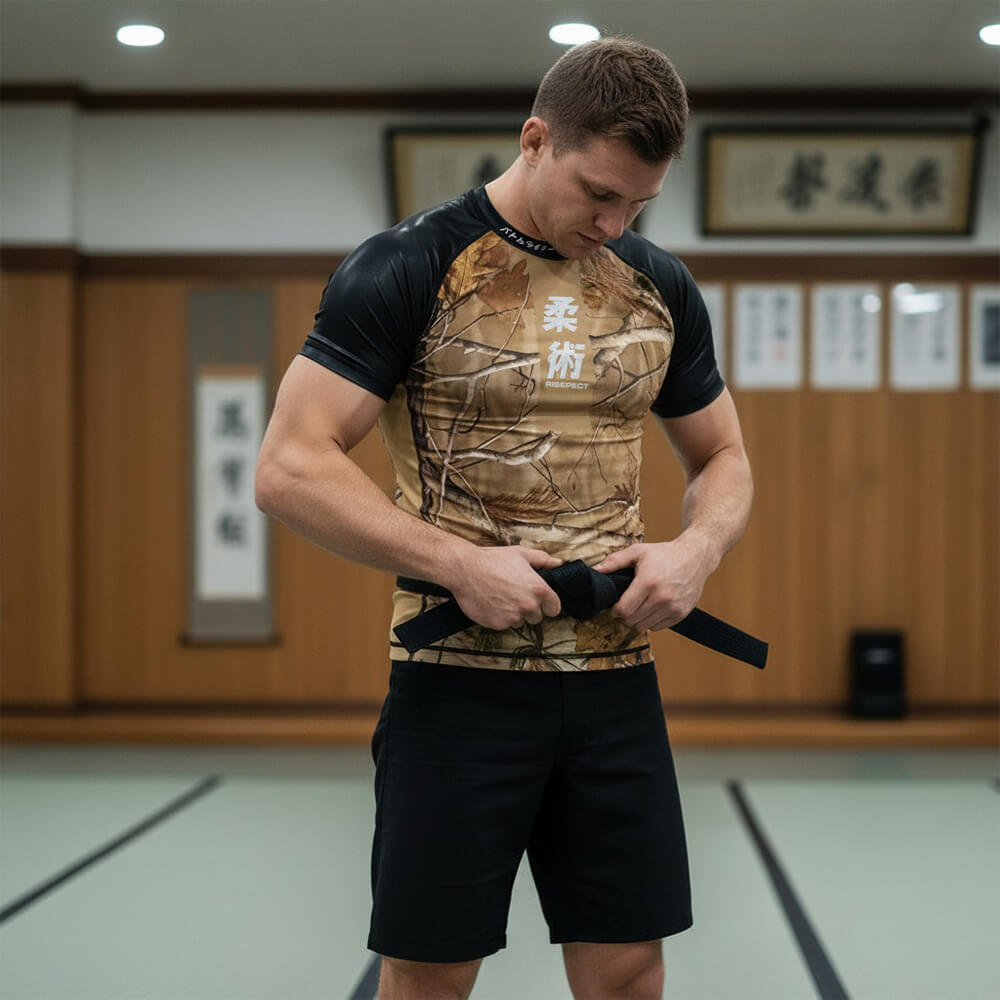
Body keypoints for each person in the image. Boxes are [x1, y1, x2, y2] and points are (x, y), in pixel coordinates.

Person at [255, 36, 753, 1000]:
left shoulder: (658, 287)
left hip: (613, 682)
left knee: (628, 968)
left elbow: (724, 456)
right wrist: (455, 563)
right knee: (433, 973)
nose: (614, 222)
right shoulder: (408, 266)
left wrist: (697, 549)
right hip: (455, 686)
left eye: (639, 203)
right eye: (598, 193)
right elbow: (290, 467)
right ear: (535, 139)